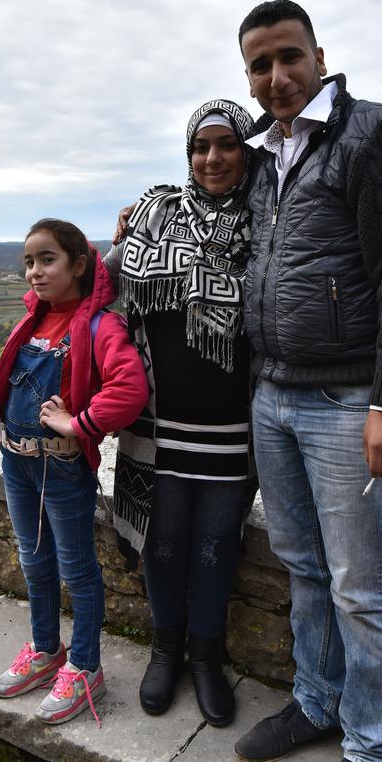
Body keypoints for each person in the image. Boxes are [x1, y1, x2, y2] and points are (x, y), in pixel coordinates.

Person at [232, 0, 382, 762]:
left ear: (319, 56)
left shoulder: (376, 133)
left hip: (352, 400)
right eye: (259, 64)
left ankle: (377, 748)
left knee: (362, 584)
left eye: (289, 56)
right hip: (276, 394)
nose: (276, 76)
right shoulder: (264, 154)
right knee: (303, 566)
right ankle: (317, 702)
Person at [106, 99, 256, 728]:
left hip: (232, 427)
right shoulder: (154, 214)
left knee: (216, 547)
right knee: (163, 545)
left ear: (246, 151)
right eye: (201, 147)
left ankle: (206, 659)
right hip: (159, 426)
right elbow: (101, 289)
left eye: (227, 145)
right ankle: (165, 650)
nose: (212, 158)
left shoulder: (268, 219)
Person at [0, 218, 148, 727]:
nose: (35, 271)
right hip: (17, 463)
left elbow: (129, 389)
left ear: (79, 264)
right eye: (28, 262)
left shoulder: (99, 326)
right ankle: (46, 648)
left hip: (62, 467)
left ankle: (85, 667)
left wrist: (78, 424)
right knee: (34, 561)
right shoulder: (31, 322)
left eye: (47, 259)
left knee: (77, 570)